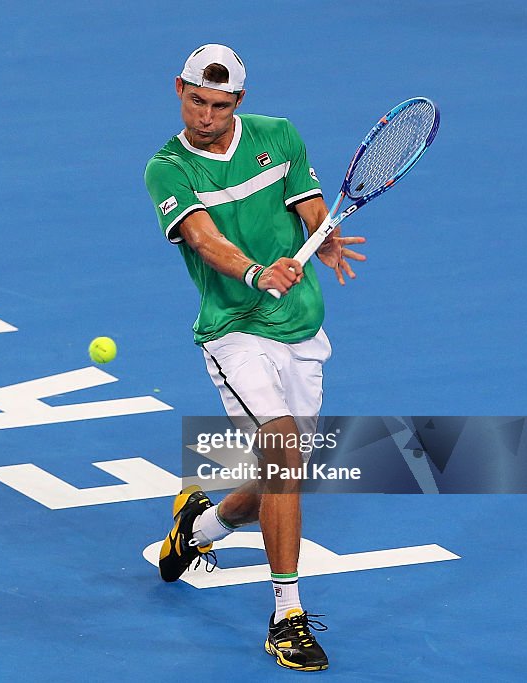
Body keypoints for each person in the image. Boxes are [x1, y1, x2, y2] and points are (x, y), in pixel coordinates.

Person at [143, 44, 366, 672]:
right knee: (286, 451)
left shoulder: (279, 136)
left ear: (239, 102)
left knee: (285, 477)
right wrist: (255, 274)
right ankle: (287, 616)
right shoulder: (166, 167)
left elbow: (309, 205)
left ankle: (200, 526)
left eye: (218, 105)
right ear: (179, 88)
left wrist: (322, 235)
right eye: (195, 100)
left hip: (300, 326)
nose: (205, 116)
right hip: (233, 328)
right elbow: (203, 238)